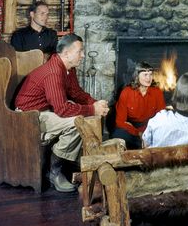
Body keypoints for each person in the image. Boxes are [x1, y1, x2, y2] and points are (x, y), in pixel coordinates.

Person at [15, 33, 109, 193]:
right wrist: (93, 109)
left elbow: (76, 92)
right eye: (80, 51)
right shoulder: (53, 72)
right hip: (28, 117)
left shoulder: (67, 68)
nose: (83, 55)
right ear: (66, 54)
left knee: (80, 110)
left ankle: (79, 160)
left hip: (46, 110)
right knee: (78, 122)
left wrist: (94, 103)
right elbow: (62, 109)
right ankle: (54, 172)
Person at [111, 62, 166, 149]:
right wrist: (138, 133)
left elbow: (162, 117)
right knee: (118, 134)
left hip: (151, 128)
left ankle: (145, 146)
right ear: (137, 76)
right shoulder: (126, 92)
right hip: (133, 130)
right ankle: (142, 146)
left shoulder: (157, 92)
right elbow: (120, 122)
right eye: (145, 75)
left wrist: (148, 133)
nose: (149, 78)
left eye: (150, 74)